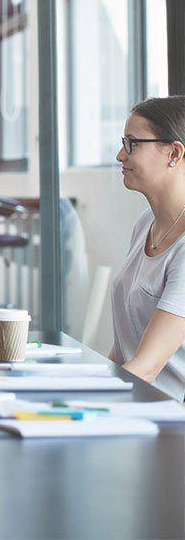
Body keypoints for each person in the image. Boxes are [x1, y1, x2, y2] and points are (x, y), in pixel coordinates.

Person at [110, 96, 185, 400]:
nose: (119, 155)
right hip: (138, 407)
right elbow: (123, 352)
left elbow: (148, 367)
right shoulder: (145, 225)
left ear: (174, 153)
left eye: (132, 144)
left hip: (171, 424)